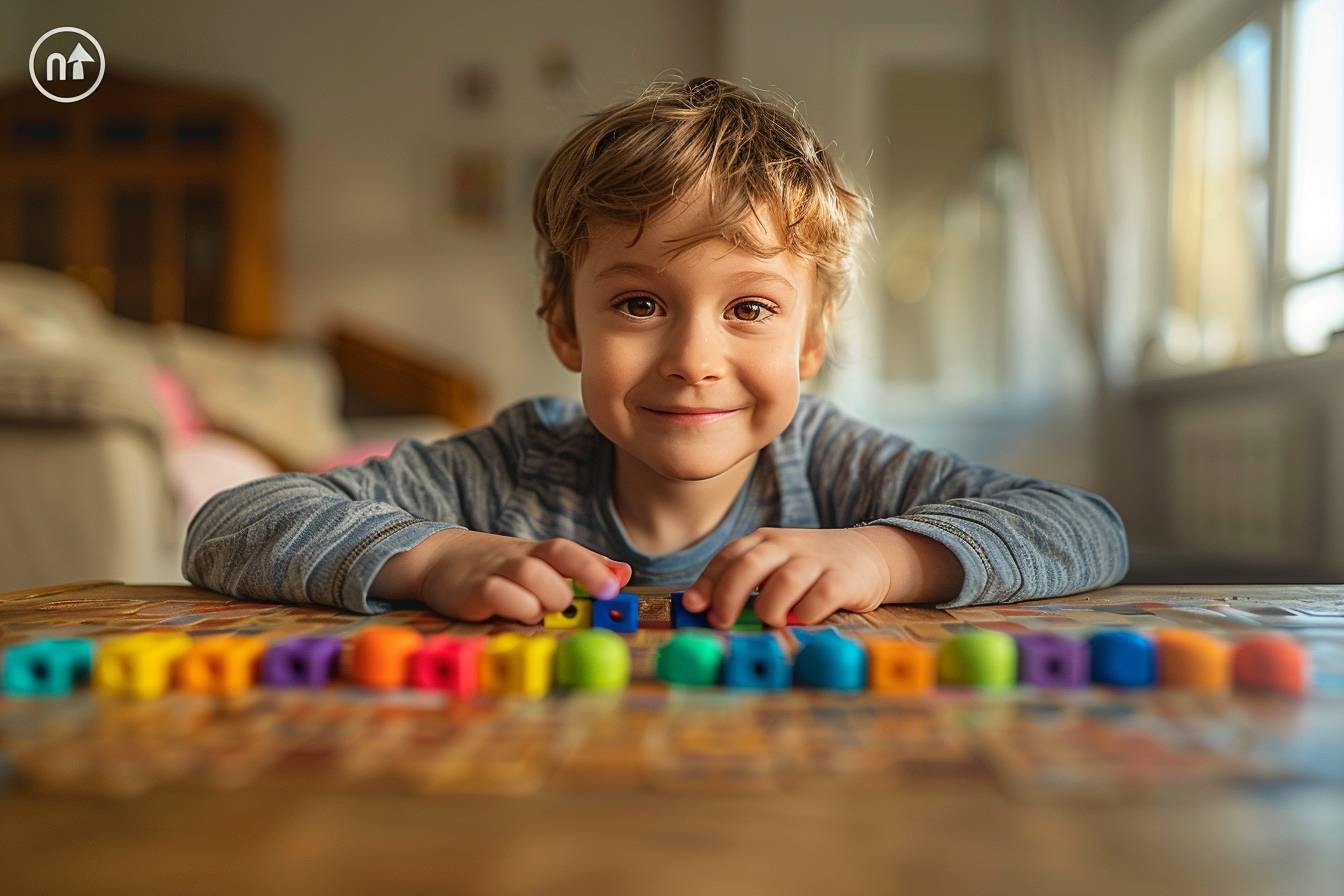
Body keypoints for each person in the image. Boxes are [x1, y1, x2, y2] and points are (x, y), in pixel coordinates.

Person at [183, 76, 1128, 628]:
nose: (693, 356)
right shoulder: (508, 470)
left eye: (750, 307)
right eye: (640, 303)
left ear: (812, 339)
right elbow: (229, 523)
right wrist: (433, 560)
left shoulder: (834, 467)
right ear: (565, 327)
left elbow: (1086, 527)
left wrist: (885, 559)